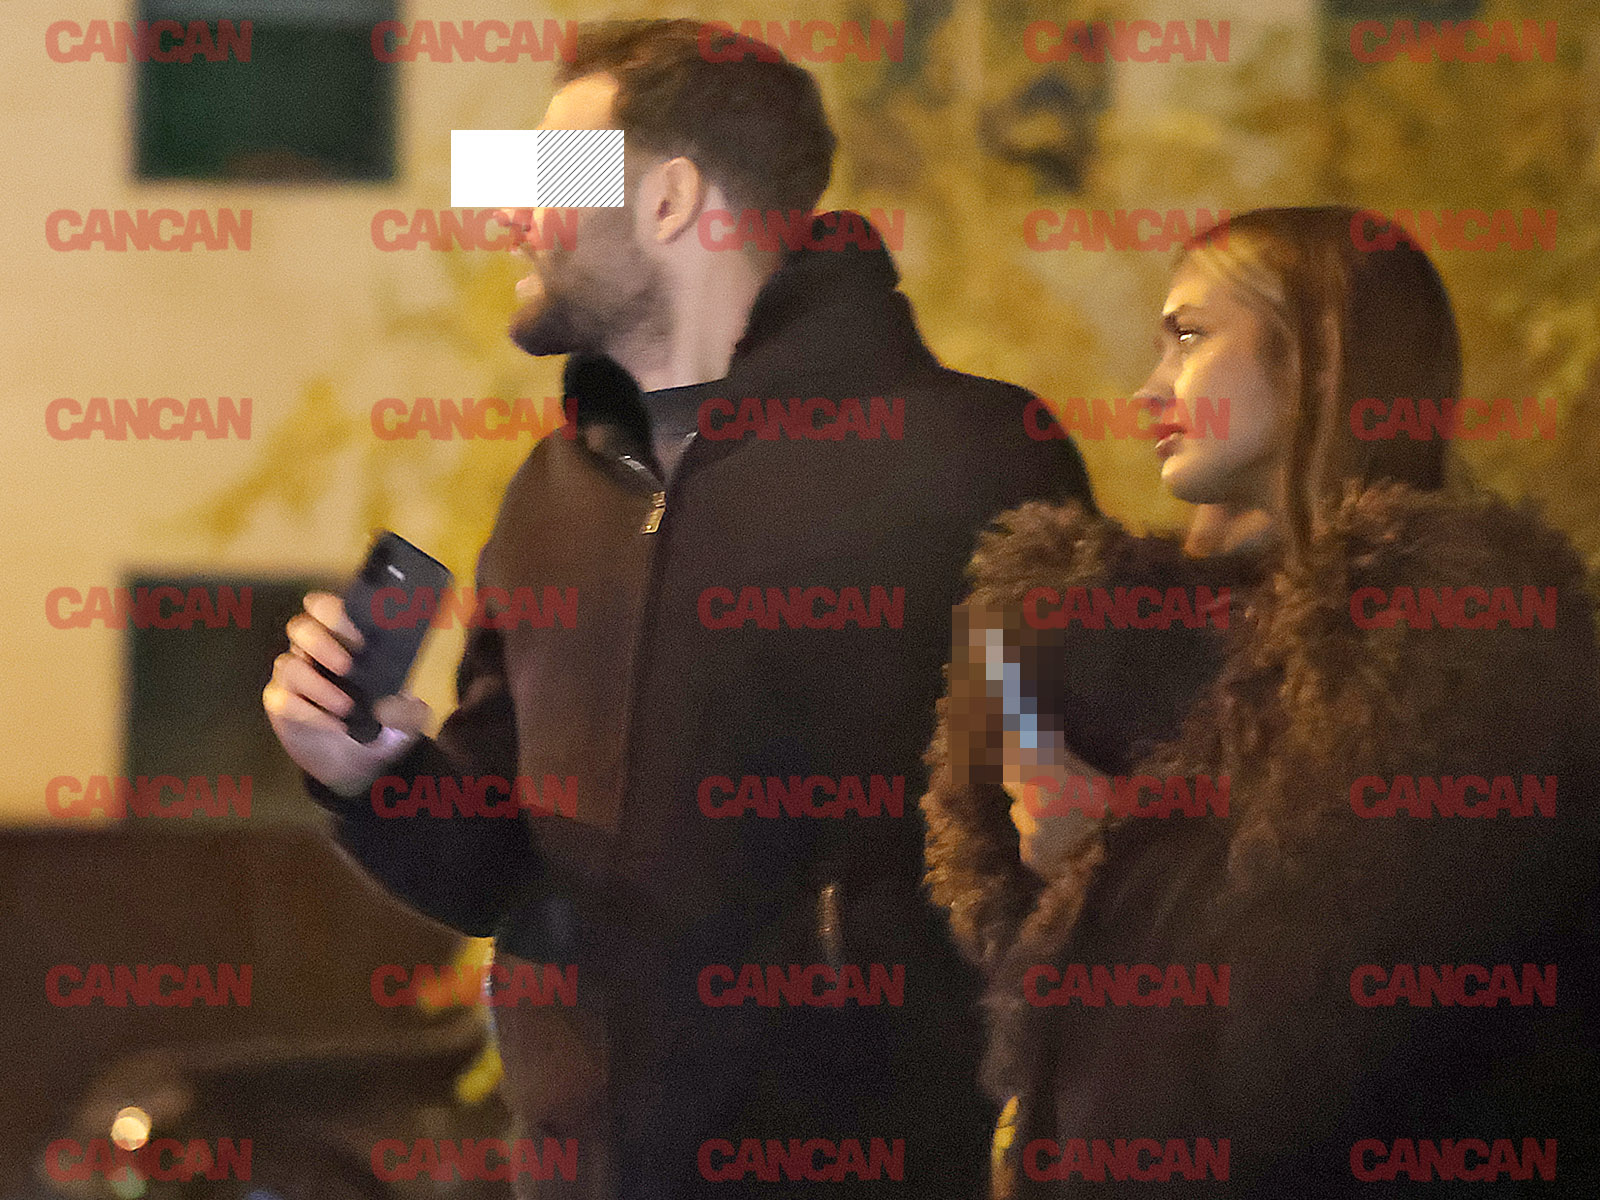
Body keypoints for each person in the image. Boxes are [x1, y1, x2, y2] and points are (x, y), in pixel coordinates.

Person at [262, 19, 1096, 1199]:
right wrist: (369, 777)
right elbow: (506, 874)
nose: (511, 217)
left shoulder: (972, 458)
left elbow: (1080, 846)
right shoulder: (553, 493)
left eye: (549, 178)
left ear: (668, 199)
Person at [922, 206, 1600, 1196]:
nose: (1150, 388)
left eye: (1190, 337)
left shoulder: (1457, 655)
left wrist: (1102, 853)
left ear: (1322, 359)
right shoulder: (1115, 646)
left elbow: (1302, 1049)